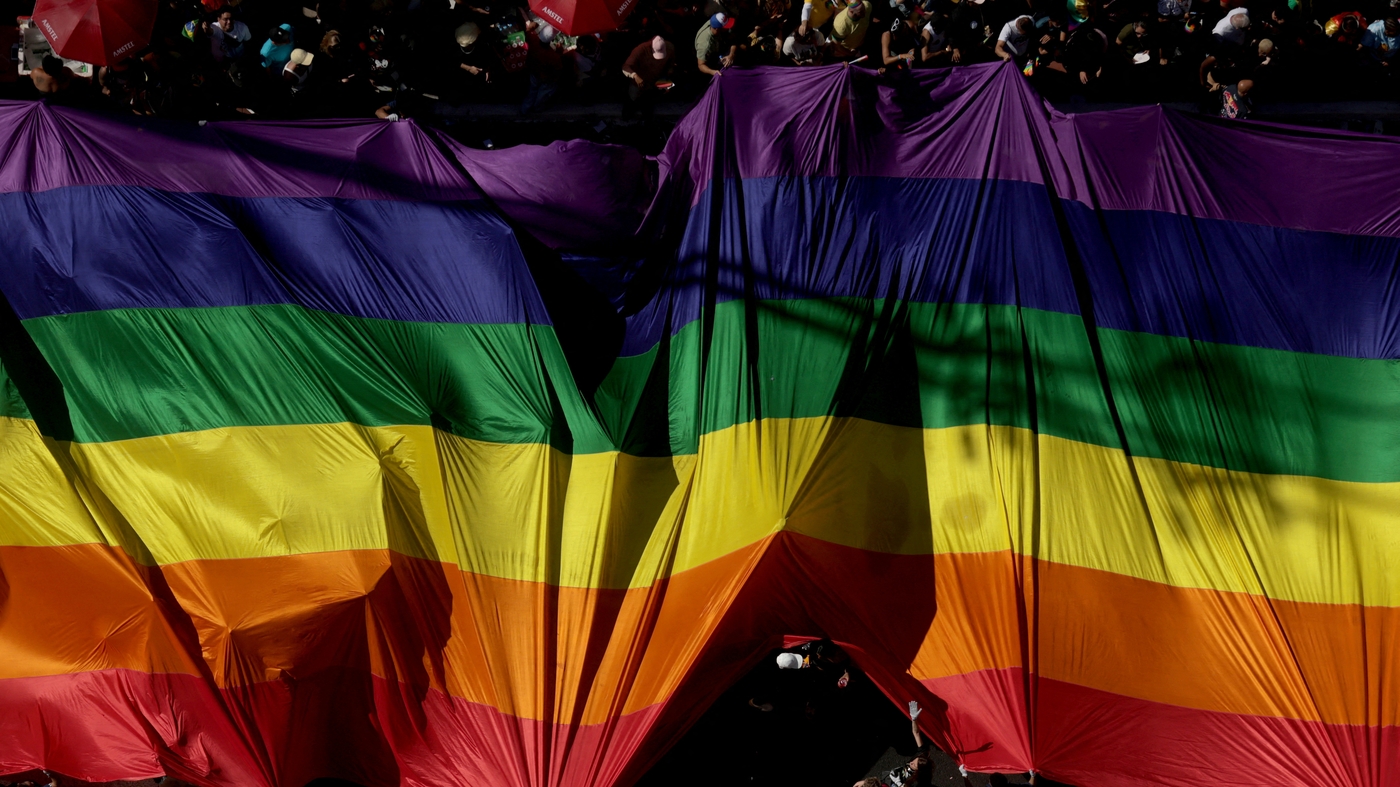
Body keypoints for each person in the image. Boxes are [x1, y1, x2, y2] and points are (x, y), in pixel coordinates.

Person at [852, 701, 932, 787]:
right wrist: (914, 719)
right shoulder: (922, 754)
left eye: (914, 765)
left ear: (918, 771)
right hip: (887, 779)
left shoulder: (916, 780)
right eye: (914, 761)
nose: (911, 763)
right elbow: (916, 733)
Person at [622, 35, 673, 114]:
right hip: (639, 81)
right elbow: (625, 67)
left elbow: (671, 63)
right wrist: (635, 76)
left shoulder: (670, 48)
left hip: (656, 79)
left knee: (651, 103)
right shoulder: (640, 50)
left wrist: (668, 78)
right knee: (632, 99)